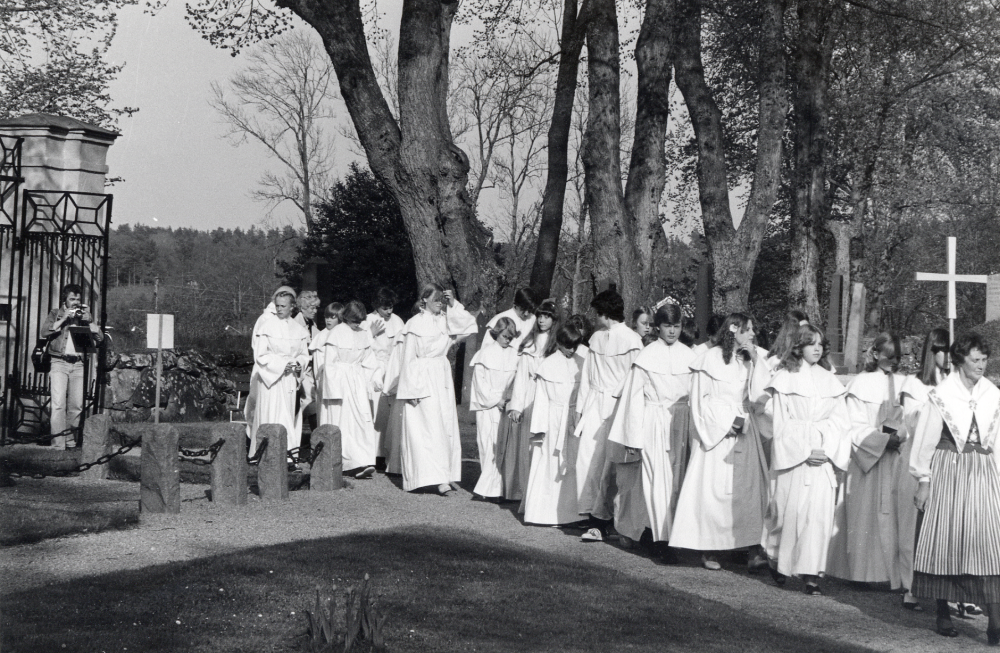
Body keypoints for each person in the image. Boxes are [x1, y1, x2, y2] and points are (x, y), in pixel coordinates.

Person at [910, 332, 1000, 642]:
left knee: (989, 541)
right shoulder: (941, 394)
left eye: (984, 359)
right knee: (946, 539)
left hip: (983, 472)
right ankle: (943, 612)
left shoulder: (992, 393)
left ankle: (995, 621)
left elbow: (997, 442)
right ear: (959, 361)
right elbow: (926, 441)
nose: (981, 365)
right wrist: (923, 480)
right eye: (975, 359)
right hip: (949, 469)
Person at [672, 312, 771, 571]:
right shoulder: (708, 359)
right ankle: (709, 548)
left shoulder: (751, 359)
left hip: (745, 431)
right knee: (713, 490)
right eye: (748, 330)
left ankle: (752, 549)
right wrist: (724, 423)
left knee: (748, 490)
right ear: (733, 330)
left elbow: (760, 396)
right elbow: (699, 400)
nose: (753, 335)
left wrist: (757, 363)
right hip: (716, 434)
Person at [762, 324, 851, 595]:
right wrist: (805, 449)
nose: (817, 348)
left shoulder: (829, 380)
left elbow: (840, 423)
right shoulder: (785, 378)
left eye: (820, 344)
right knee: (789, 512)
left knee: (817, 517)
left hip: (822, 458)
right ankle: (777, 559)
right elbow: (781, 423)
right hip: (795, 457)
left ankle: (811, 574)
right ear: (798, 346)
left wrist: (825, 449)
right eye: (811, 343)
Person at [607, 303, 695, 561]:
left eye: (676, 326)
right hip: (654, 422)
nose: (672, 331)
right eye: (667, 326)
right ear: (658, 326)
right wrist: (633, 438)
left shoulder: (689, 355)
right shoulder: (646, 356)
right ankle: (658, 538)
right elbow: (633, 399)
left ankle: (672, 534)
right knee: (656, 481)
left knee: (677, 480)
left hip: (681, 422)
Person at [827, 333, 909, 589]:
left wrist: (900, 436)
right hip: (868, 462)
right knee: (864, 518)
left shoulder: (903, 383)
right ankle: (861, 574)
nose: (893, 362)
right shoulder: (861, 383)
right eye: (889, 357)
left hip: (893, 460)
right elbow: (853, 424)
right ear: (875, 354)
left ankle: (891, 576)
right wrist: (883, 440)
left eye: (898, 358)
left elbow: (910, 419)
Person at [573, 288, 643, 542]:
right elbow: (587, 378)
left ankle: (605, 520)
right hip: (595, 405)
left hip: (618, 408)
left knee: (610, 466)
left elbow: (634, 380)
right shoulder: (596, 337)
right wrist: (581, 408)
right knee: (588, 462)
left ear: (605, 313)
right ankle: (589, 514)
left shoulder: (632, 340)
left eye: (597, 312)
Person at [396, 283, 478, 494]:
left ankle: (444, 475)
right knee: (427, 429)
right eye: (436, 299)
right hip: (421, 379)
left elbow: (469, 326)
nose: (439, 303)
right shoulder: (414, 324)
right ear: (424, 299)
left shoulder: (446, 319)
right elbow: (407, 360)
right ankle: (426, 477)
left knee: (445, 425)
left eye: (442, 299)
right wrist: (410, 391)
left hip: (441, 376)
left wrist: (453, 304)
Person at [897, 328, 950, 612]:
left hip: (945, 461)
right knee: (912, 526)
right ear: (933, 351)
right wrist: (937, 401)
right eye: (943, 350)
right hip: (917, 459)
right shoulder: (914, 383)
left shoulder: (957, 383)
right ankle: (910, 586)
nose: (948, 356)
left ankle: (951, 589)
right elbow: (913, 424)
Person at [523, 322, 586, 526]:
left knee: (574, 464)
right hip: (553, 421)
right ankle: (544, 513)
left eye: (574, 346)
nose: (571, 350)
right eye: (568, 346)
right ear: (559, 343)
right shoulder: (548, 365)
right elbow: (541, 400)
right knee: (551, 464)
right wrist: (539, 429)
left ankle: (573, 515)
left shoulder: (581, 362)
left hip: (574, 418)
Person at [503, 299, 559, 503]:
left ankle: (545, 495)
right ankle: (525, 491)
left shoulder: (556, 344)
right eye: (540, 316)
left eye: (547, 316)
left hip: (551, 396)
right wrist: (516, 406)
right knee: (528, 444)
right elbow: (521, 378)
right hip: (530, 395)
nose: (543, 320)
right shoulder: (529, 343)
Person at [318, 300, 380, 479]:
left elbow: (369, 360)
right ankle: (347, 462)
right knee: (344, 423)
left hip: (357, 383)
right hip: (341, 384)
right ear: (347, 318)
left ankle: (362, 461)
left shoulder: (362, 334)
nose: (357, 325)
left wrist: (374, 379)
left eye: (359, 322)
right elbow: (330, 363)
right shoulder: (337, 333)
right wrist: (334, 391)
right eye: (354, 321)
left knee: (361, 420)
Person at [42, 283, 102, 449]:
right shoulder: (56, 313)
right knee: (58, 404)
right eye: (72, 299)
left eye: (77, 299)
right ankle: (57, 444)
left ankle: (69, 440)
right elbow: (45, 331)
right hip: (59, 362)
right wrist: (64, 318)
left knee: (76, 405)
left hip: (78, 364)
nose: (75, 302)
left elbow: (100, 339)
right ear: (65, 300)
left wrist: (90, 322)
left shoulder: (84, 316)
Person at [250, 290, 310, 453]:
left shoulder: (298, 329)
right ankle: (267, 452)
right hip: (272, 379)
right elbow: (261, 355)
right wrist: (283, 365)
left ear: (292, 307)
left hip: (290, 380)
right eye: (277, 305)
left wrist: (298, 364)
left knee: (288, 416)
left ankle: (288, 453)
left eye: (283, 306)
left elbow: (304, 355)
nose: (279, 309)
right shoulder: (266, 326)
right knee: (272, 413)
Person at [470, 317, 520, 499]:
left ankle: (502, 489)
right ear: (497, 333)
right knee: (488, 445)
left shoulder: (516, 355)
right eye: (505, 336)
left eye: (511, 337)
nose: (507, 340)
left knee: (505, 447)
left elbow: (518, 381)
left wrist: (510, 400)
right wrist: (495, 400)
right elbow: (479, 382)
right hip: (488, 406)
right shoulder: (485, 354)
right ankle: (488, 489)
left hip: (507, 405)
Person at [366, 287, 407, 465]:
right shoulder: (368, 320)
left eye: (391, 307)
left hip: (392, 367)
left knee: (389, 412)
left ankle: (387, 452)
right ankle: (373, 454)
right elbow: (363, 344)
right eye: (385, 308)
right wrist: (370, 334)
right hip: (374, 367)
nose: (389, 311)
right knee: (375, 410)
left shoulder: (397, 320)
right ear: (377, 306)